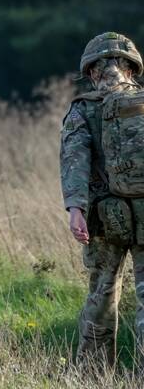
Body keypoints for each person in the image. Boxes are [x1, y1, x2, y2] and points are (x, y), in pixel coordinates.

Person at [60, 32, 144, 368]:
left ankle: (94, 376)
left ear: (92, 71)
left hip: (105, 219)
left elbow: (74, 161)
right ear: (132, 68)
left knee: (102, 296)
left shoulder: (84, 109)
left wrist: (75, 209)